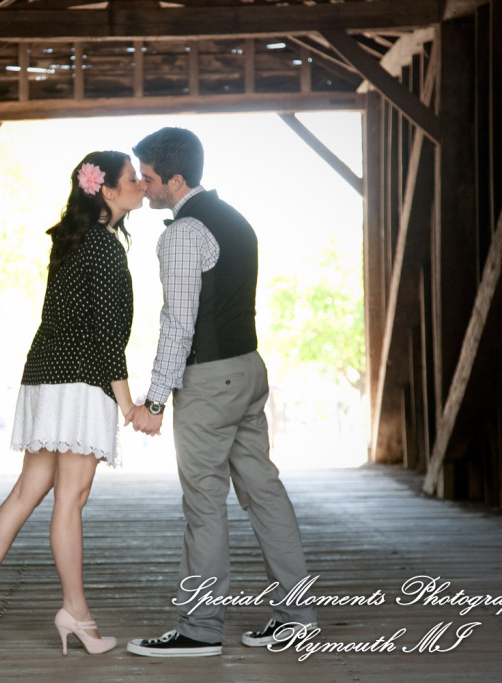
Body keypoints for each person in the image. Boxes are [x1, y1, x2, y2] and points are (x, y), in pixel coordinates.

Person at [124, 128, 317, 657]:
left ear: (175, 180)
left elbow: (178, 323)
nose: (143, 186)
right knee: (265, 494)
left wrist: (155, 400)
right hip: (249, 370)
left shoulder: (183, 234)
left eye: (149, 178)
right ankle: (298, 618)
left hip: (209, 382)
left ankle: (199, 629)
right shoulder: (236, 220)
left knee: (204, 504)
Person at [0, 150, 144, 655]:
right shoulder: (104, 248)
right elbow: (107, 336)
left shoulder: (71, 241)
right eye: (133, 178)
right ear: (107, 191)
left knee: (26, 492)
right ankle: (76, 612)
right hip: (79, 384)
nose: (142, 184)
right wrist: (127, 404)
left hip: (44, 376)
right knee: (70, 499)